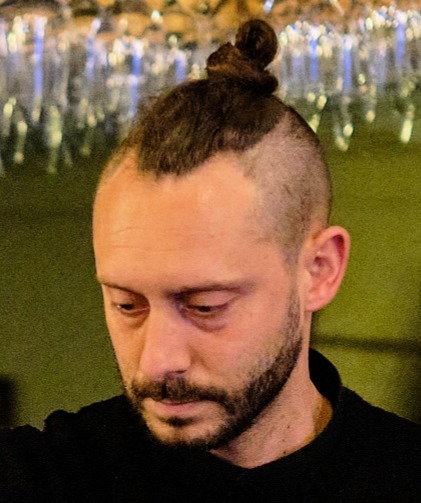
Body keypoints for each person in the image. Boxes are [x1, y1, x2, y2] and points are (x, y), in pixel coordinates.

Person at [1, 19, 420, 503]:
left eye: (205, 306)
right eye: (126, 305)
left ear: (319, 270)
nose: (158, 362)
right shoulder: (46, 476)